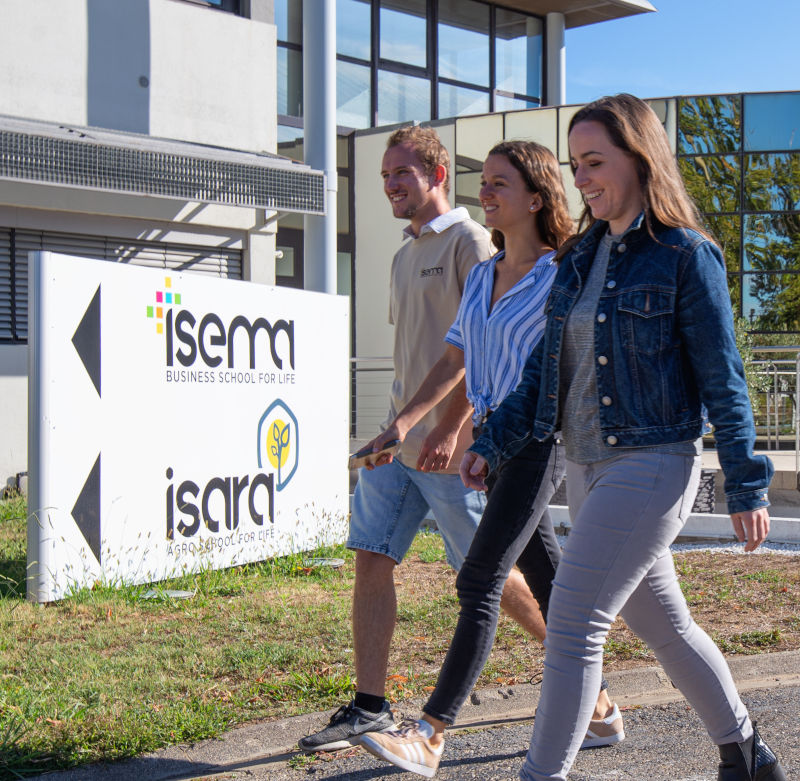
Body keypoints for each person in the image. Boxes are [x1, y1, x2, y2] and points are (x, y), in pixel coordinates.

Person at [456, 95, 786, 781]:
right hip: (586, 465)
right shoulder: (577, 259)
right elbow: (543, 374)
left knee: (573, 625)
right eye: (576, 165)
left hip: (653, 463)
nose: (582, 178)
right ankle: (746, 752)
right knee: (665, 625)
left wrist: (746, 482)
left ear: (639, 158)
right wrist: (494, 440)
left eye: (596, 161)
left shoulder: (684, 256)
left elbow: (723, 378)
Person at [358, 140, 623, 778]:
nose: (489, 192)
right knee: (554, 587)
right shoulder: (483, 275)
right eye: (488, 182)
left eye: (502, 183)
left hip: (539, 443)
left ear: (536, 198)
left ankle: (431, 732)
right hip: (496, 450)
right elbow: (454, 361)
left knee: (478, 578)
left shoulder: (565, 273)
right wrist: (399, 425)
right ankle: (603, 708)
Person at [299, 126, 548, 753]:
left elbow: (473, 349)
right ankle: (369, 706)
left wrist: (446, 429)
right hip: (397, 443)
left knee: (487, 573)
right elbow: (420, 355)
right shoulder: (403, 252)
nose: (389, 185)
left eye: (401, 174)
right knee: (371, 558)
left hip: (452, 448)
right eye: (385, 175)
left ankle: (582, 673)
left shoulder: (469, 243)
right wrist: (396, 426)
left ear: (436, 175)